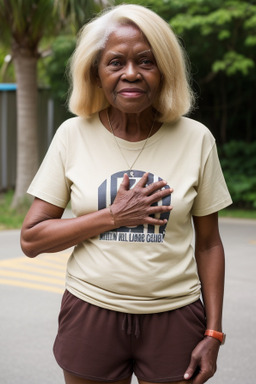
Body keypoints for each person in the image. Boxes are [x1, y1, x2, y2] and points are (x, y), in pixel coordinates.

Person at [21, 4, 232, 384]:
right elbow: (32, 238)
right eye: (115, 62)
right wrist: (113, 216)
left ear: (164, 70)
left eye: (146, 61)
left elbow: (209, 245)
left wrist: (213, 332)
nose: (131, 73)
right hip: (91, 311)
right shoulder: (73, 135)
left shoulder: (196, 139)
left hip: (175, 314)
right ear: (96, 73)